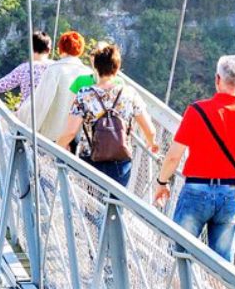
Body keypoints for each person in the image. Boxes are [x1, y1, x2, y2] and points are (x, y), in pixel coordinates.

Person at [154, 54, 235, 260]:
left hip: (196, 190)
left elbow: (173, 157)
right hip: (230, 194)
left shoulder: (196, 111)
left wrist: (162, 182)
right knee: (221, 265)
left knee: (180, 255)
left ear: (217, 79)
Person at [56, 41, 159, 188]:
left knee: (89, 206)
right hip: (120, 160)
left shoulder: (85, 94)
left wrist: (57, 149)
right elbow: (150, 131)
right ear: (117, 69)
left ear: (96, 67)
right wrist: (152, 143)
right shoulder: (130, 94)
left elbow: (71, 132)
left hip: (91, 157)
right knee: (114, 206)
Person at [20, 30, 93, 144]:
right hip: (77, 137)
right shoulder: (89, 73)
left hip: (52, 137)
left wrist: (22, 118)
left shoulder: (54, 69)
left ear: (61, 48)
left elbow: (40, 102)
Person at [0, 30, 53, 100]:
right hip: (50, 110)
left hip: (27, 109)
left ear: (31, 47)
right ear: (48, 50)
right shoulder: (56, 67)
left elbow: (0, 86)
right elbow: (67, 87)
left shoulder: (24, 68)